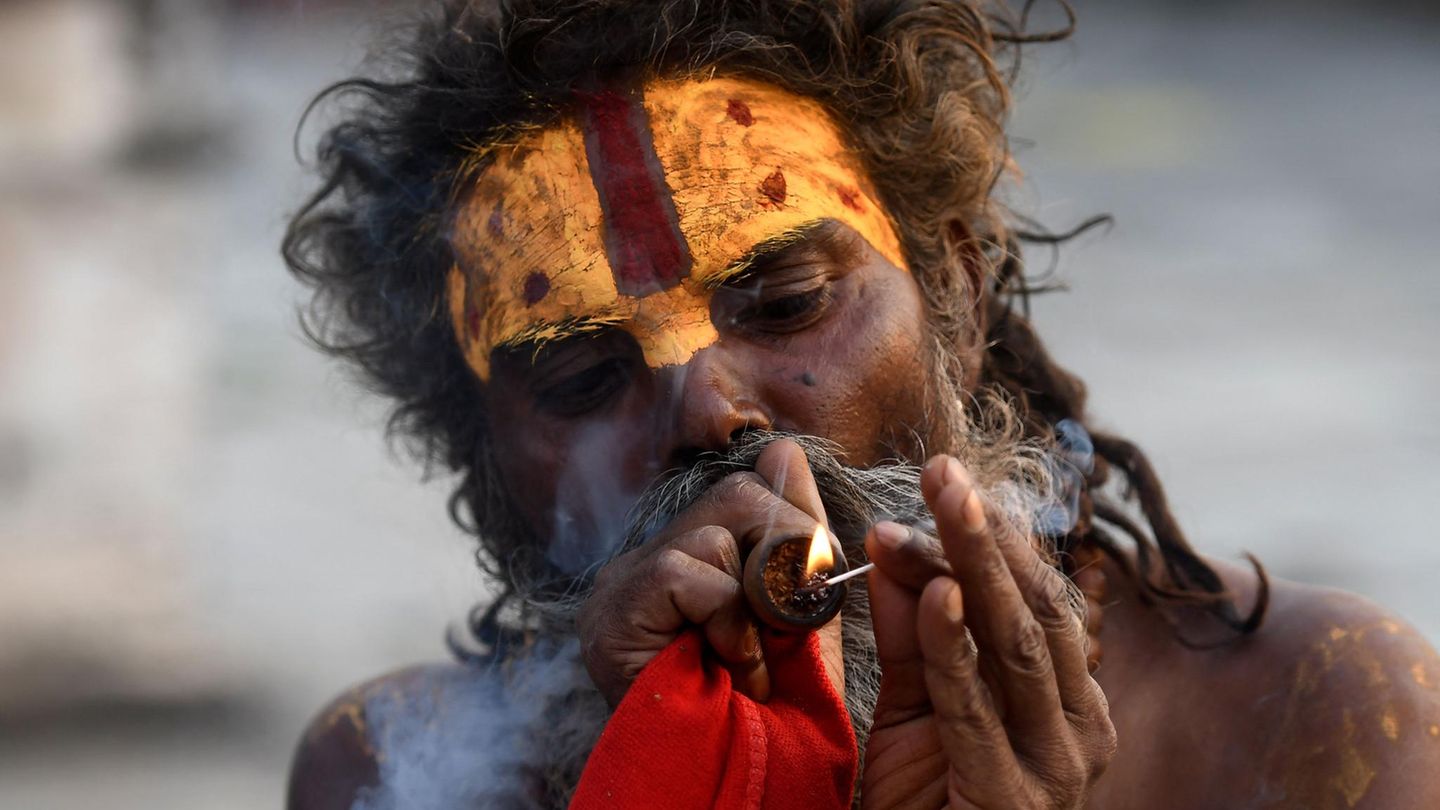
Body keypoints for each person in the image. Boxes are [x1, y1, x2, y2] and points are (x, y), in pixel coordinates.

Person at [281, 1, 1440, 808]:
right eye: (585, 379)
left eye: (784, 302)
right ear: (484, 473)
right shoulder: (395, 776)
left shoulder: (1316, 723)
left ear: (956, 296)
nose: (709, 411)